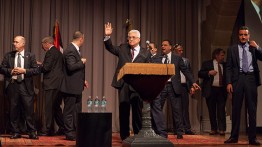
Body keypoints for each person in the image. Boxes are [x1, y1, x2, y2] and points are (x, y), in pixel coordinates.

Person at [104, 22, 150, 140]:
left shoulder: (146, 52)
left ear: (139, 39)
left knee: (137, 112)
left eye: (133, 37)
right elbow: (110, 48)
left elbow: (149, 68)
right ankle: (124, 137)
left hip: (138, 85)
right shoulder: (123, 48)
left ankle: (138, 135)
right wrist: (108, 36)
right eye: (129, 37)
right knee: (124, 111)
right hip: (124, 84)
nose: (130, 39)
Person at [151, 40, 200, 139]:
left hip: (174, 86)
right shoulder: (158, 58)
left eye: (165, 45)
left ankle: (179, 132)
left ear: (170, 47)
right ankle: (156, 130)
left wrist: (193, 82)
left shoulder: (177, 58)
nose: (163, 47)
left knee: (177, 110)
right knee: (157, 108)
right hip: (162, 86)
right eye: (162, 45)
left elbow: (186, 71)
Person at [224, 26, 262, 145]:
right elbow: (228, 67)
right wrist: (229, 82)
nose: (243, 37)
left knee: (252, 109)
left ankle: (252, 138)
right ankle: (233, 137)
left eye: (245, 35)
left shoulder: (253, 47)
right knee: (236, 109)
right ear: (238, 36)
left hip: (251, 78)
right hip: (237, 79)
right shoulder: (232, 49)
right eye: (241, 35)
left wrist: (258, 47)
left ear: (249, 36)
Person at [1, 36, 40, 139]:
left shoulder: (30, 56)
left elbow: (36, 70)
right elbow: (1, 68)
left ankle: (31, 132)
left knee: (29, 110)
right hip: (13, 85)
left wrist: (25, 71)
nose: (14, 44)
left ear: (23, 44)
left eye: (16, 42)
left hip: (25, 85)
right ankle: (15, 131)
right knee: (13, 110)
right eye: (14, 42)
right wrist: (10, 71)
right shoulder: (8, 55)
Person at [60, 31, 88, 141]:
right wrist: (81, 62)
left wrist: (82, 81)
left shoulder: (75, 49)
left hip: (76, 86)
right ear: (81, 39)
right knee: (69, 111)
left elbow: (75, 72)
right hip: (69, 87)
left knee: (77, 110)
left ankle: (77, 131)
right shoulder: (70, 50)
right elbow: (71, 67)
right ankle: (69, 133)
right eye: (83, 39)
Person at [38, 36, 64, 136]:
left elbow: (47, 68)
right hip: (58, 83)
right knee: (56, 107)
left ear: (47, 43)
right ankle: (63, 127)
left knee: (48, 107)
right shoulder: (58, 52)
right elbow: (55, 67)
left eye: (42, 45)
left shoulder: (50, 52)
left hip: (50, 84)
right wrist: (43, 64)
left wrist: (39, 66)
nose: (42, 47)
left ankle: (47, 130)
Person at [198, 48, 227, 136]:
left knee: (221, 110)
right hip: (211, 90)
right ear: (216, 55)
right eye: (222, 55)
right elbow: (200, 73)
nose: (223, 57)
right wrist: (208, 72)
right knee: (212, 110)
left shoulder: (225, 65)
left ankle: (222, 129)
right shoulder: (207, 63)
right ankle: (213, 129)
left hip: (222, 90)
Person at [173, 44, 195, 135]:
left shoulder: (186, 61)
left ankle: (187, 128)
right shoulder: (171, 60)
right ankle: (177, 129)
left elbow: (189, 73)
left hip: (184, 86)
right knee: (176, 108)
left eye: (182, 50)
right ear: (174, 51)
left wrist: (191, 86)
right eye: (179, 50)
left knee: (185, 108)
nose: (181, 52)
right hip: (174, 86)